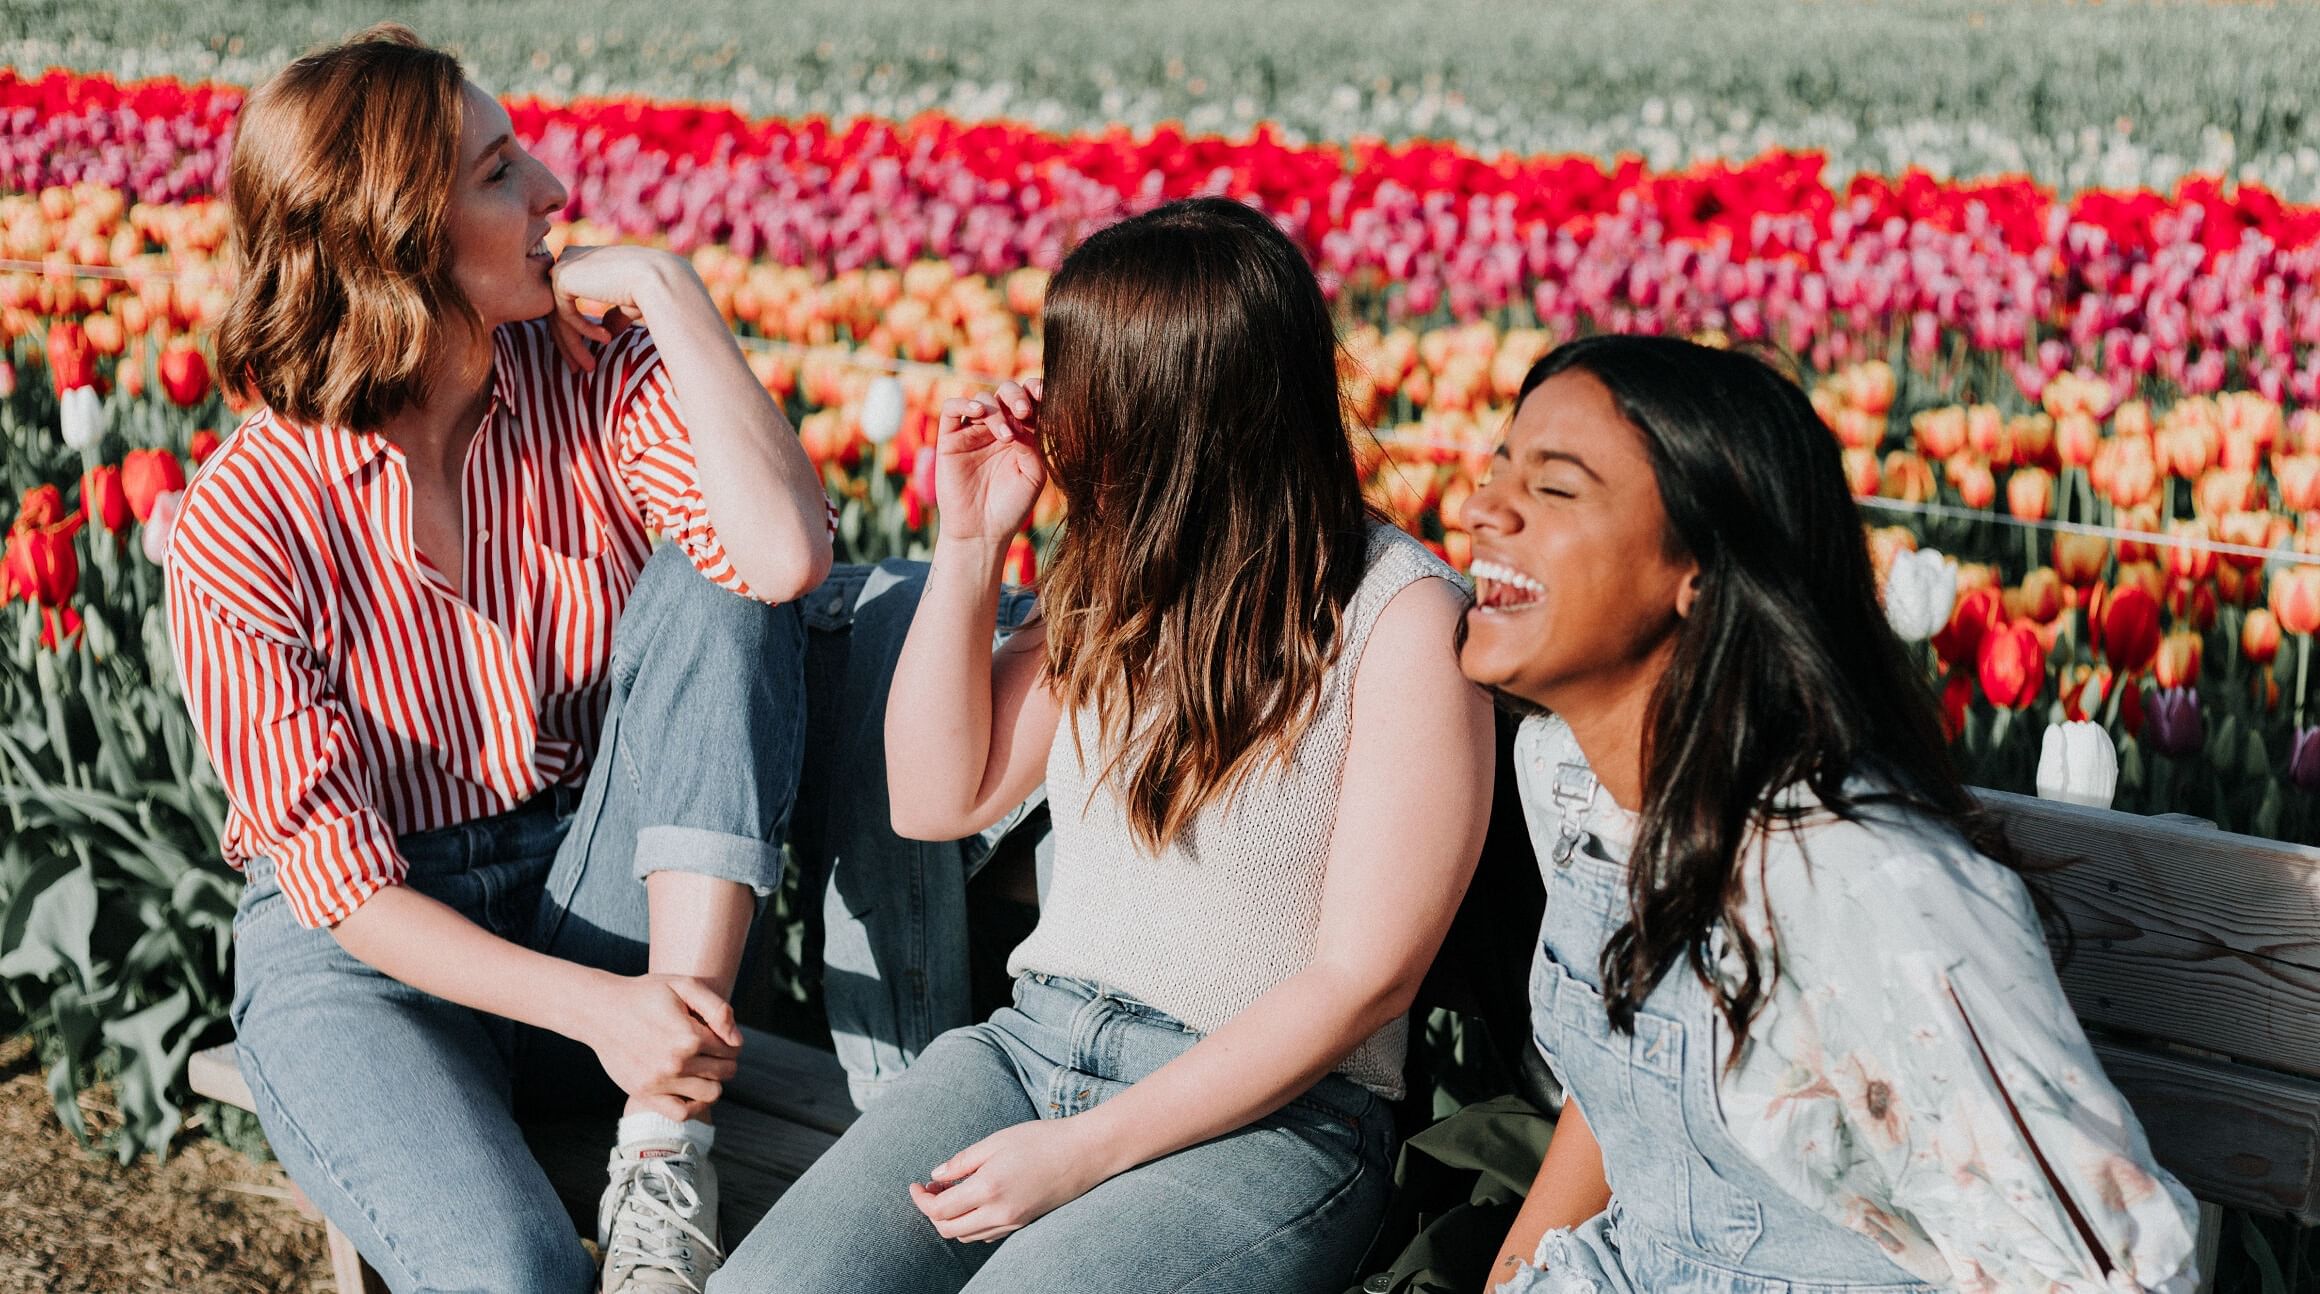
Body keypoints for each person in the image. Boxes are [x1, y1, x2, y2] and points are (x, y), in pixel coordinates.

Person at [713, 195, 1496, 1293]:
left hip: (1270, 1117)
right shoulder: (1118, 580)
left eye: (1075, 373)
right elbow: (935, 799)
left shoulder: (1400, 617)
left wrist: (1082, 1153)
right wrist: (974, 538)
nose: (1051, 403)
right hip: (1026, 1052)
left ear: (1168, 407)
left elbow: (1364, 979)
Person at [165, 26, 833, 1294]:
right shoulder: (245, 520)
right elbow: (345, 890)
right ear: (394, 236)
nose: (554, 195)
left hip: (594, 898)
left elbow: (783, 558)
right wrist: (602, 1013)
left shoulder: (590, 374)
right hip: (374, 962)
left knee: (717, 574)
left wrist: (674, 296)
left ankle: (662, 1144)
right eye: (497, 171)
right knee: (513, 1274)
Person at [1460, 336, 2201, 1292]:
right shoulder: (1566, 773)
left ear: (1703, 569)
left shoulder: (1859, 882)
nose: (1483, 507)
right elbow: (1621, 1111)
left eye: (1556, 489)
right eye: (1497, 467)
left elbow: (2106, 1272)